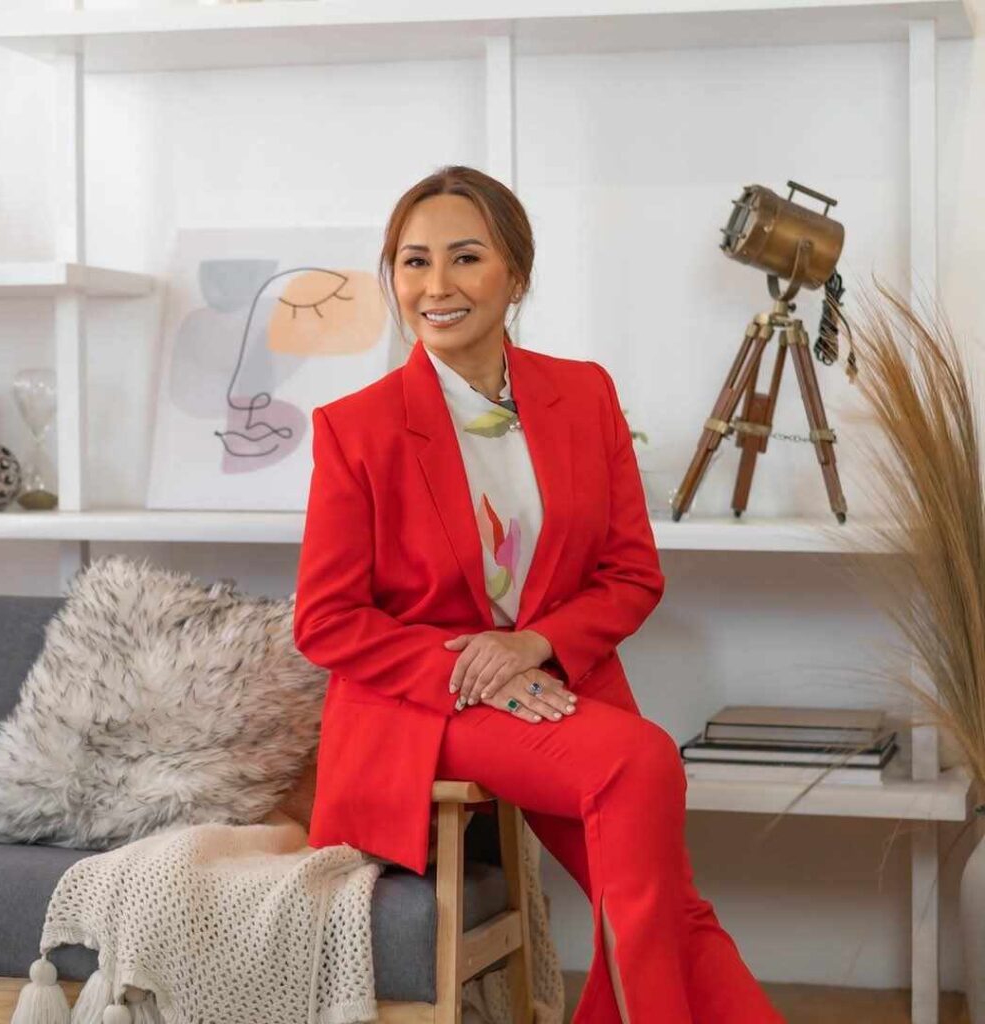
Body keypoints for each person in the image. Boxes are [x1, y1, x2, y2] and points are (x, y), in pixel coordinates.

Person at [293, 165, 785, 1023]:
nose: (436, 287)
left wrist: (534, 644)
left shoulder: (583, 393)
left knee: (669, 907)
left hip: (556, 685)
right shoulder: (356, 428)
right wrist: (478, 668)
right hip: (427, 704)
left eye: (465, 259)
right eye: (413, 263)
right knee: (640, 761)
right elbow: (326, 620)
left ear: (515, 275)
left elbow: (632, 571)